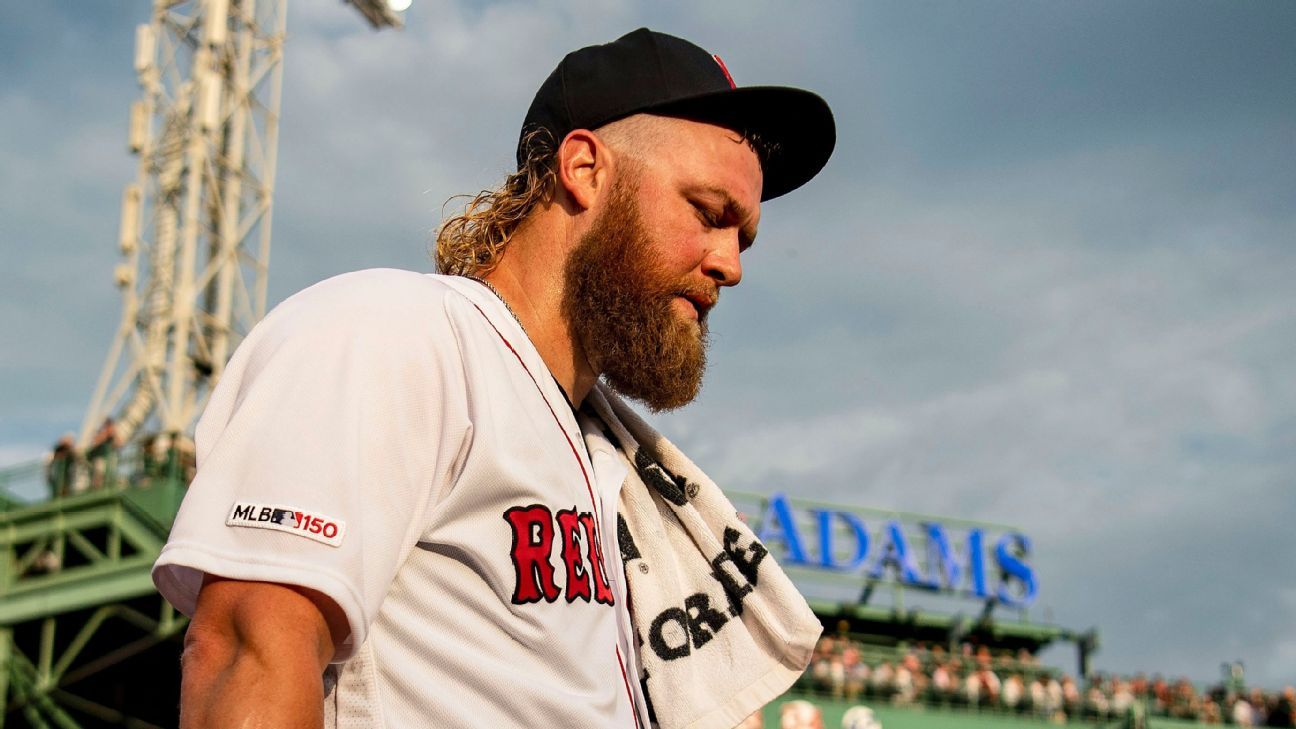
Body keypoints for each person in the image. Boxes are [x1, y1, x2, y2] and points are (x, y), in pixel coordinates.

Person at [150, 28, 835, 729]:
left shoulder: (606, 452)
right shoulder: (398, 331)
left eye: (742, 235)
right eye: (708, 213)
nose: (731, 263)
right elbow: (248, 650)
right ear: (585, 168)